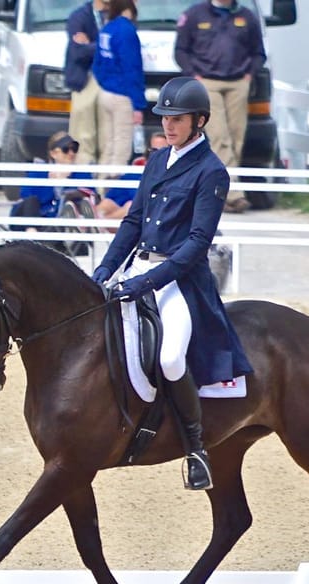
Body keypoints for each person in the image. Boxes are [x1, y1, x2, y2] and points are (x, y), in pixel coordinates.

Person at [91, 77, 254, 491]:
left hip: (178, 281)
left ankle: (195, 448)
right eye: (165, 118)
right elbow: (133, 222)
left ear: (199, 121)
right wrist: (104, 269)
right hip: (136, 269)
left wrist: (147, 282)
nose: (168, 126)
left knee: (169, 358)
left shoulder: (211, 172)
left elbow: (197, 243)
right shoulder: (157, 161)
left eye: (177, 119)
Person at [174, 0, 266, 214]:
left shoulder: (246, 16)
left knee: (236, 138)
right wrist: (194, 75)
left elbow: (258, 52)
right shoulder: (195, 14)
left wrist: (249, 75)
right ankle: (233, 194)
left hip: (238, 82)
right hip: (207, 81)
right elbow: (181, 50)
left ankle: (218, 191)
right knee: (220, 137)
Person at [92, 0, 145, 170]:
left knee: (108, 144)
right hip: (123, 95)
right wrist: (138, 104)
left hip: (105, 92)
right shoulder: (126, 30)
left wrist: (105, 83)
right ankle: (114, 182)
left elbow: (97, 65)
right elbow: (131, 69)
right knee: (121, 146)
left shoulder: (107, 28)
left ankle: (102, 181)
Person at [64, 0, 109, 165]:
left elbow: (123, 46)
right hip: (86, 79)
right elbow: (77, 52)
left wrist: (91, 44)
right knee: (83, 134)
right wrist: (106, 46)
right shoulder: (79, 17)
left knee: (107, 135)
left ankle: (104, 179)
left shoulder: (119, 16)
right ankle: (82, 175)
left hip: (111, 81)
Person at [95, 131, 167, 222]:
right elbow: (111, 199)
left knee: (131, 206)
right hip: (124, 220)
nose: (157, 156)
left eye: (163, 152)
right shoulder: (134, 174)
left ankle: (97, 224)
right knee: (107, 204)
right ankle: (93, 222)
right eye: (153, 151)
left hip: (148, 220)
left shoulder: (171, 176)